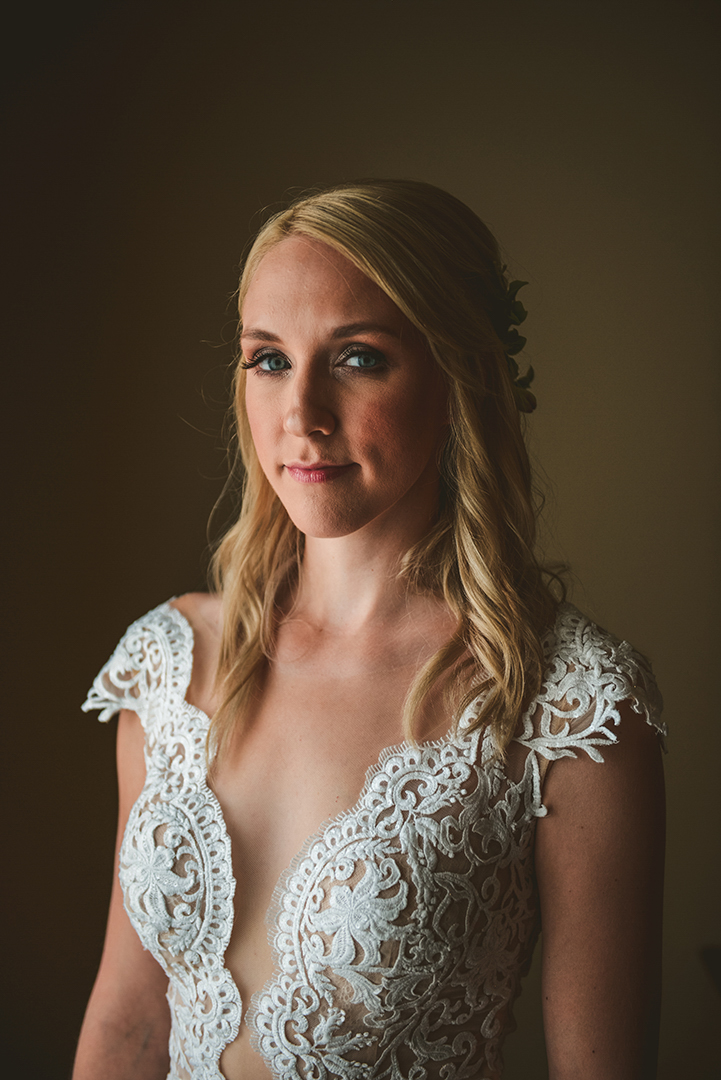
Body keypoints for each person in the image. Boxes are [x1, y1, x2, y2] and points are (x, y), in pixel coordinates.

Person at [73, 180, 666, 1080]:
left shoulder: (568, 706)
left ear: (455, 377)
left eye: (356, 358)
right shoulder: (171, 666)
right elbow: (127, 1021)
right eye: (268, 358)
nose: (301, 415)